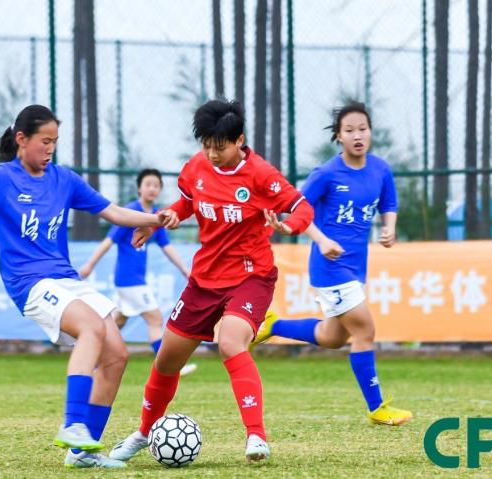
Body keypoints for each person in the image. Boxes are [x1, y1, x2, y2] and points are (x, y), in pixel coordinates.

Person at [0, 105, 179, 469]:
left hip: (67, 280)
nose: (50, 148)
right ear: (21, 139)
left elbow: (112, 211)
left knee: (116, 355)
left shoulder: (64, 180)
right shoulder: (3, 178)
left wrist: (154, 219)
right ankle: (73, 423)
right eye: (45, 141)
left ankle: (82, 453)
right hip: (29, 283)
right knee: (91, 327)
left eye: (55, 142)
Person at [107, 99, 314, 464]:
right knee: (166, 360)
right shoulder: (196, 167)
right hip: (204, 279)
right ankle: (143, 432)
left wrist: (288, 226)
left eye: (220, 147)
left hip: (250, 276)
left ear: (239, 141)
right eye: (206, 145)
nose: (212, 154)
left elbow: (302, 208)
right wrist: (164, 218)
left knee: (230, 342)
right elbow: (186, 203)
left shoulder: (261, 175)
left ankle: (256, 436)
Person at [255, 102, 412, 426]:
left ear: (370, 132)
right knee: (365, 330)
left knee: (333, 336)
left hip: (356, 267)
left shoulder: (380, 169)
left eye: (363, 129)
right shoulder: (326, 174)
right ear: (339, 136)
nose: (357, 135)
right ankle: (377, 407)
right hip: (329, 267)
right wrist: (321, 239)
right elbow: (298, 210)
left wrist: (390, 227)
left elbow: (389, 203)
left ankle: (273, 325)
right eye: (349, 130)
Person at [78, 168, 197, 376]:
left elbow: (167, 247)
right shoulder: (130, 213)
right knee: (155, 319)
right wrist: (89, 265)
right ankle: (170, 368)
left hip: (132, 281)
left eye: (156, 185)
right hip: (129, 280)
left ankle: (92, 363)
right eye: (148, 184)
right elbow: (108, 241)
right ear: (139, 188)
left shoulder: (156, 217)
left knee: (117, 322)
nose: (152, 189)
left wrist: (185, 269)